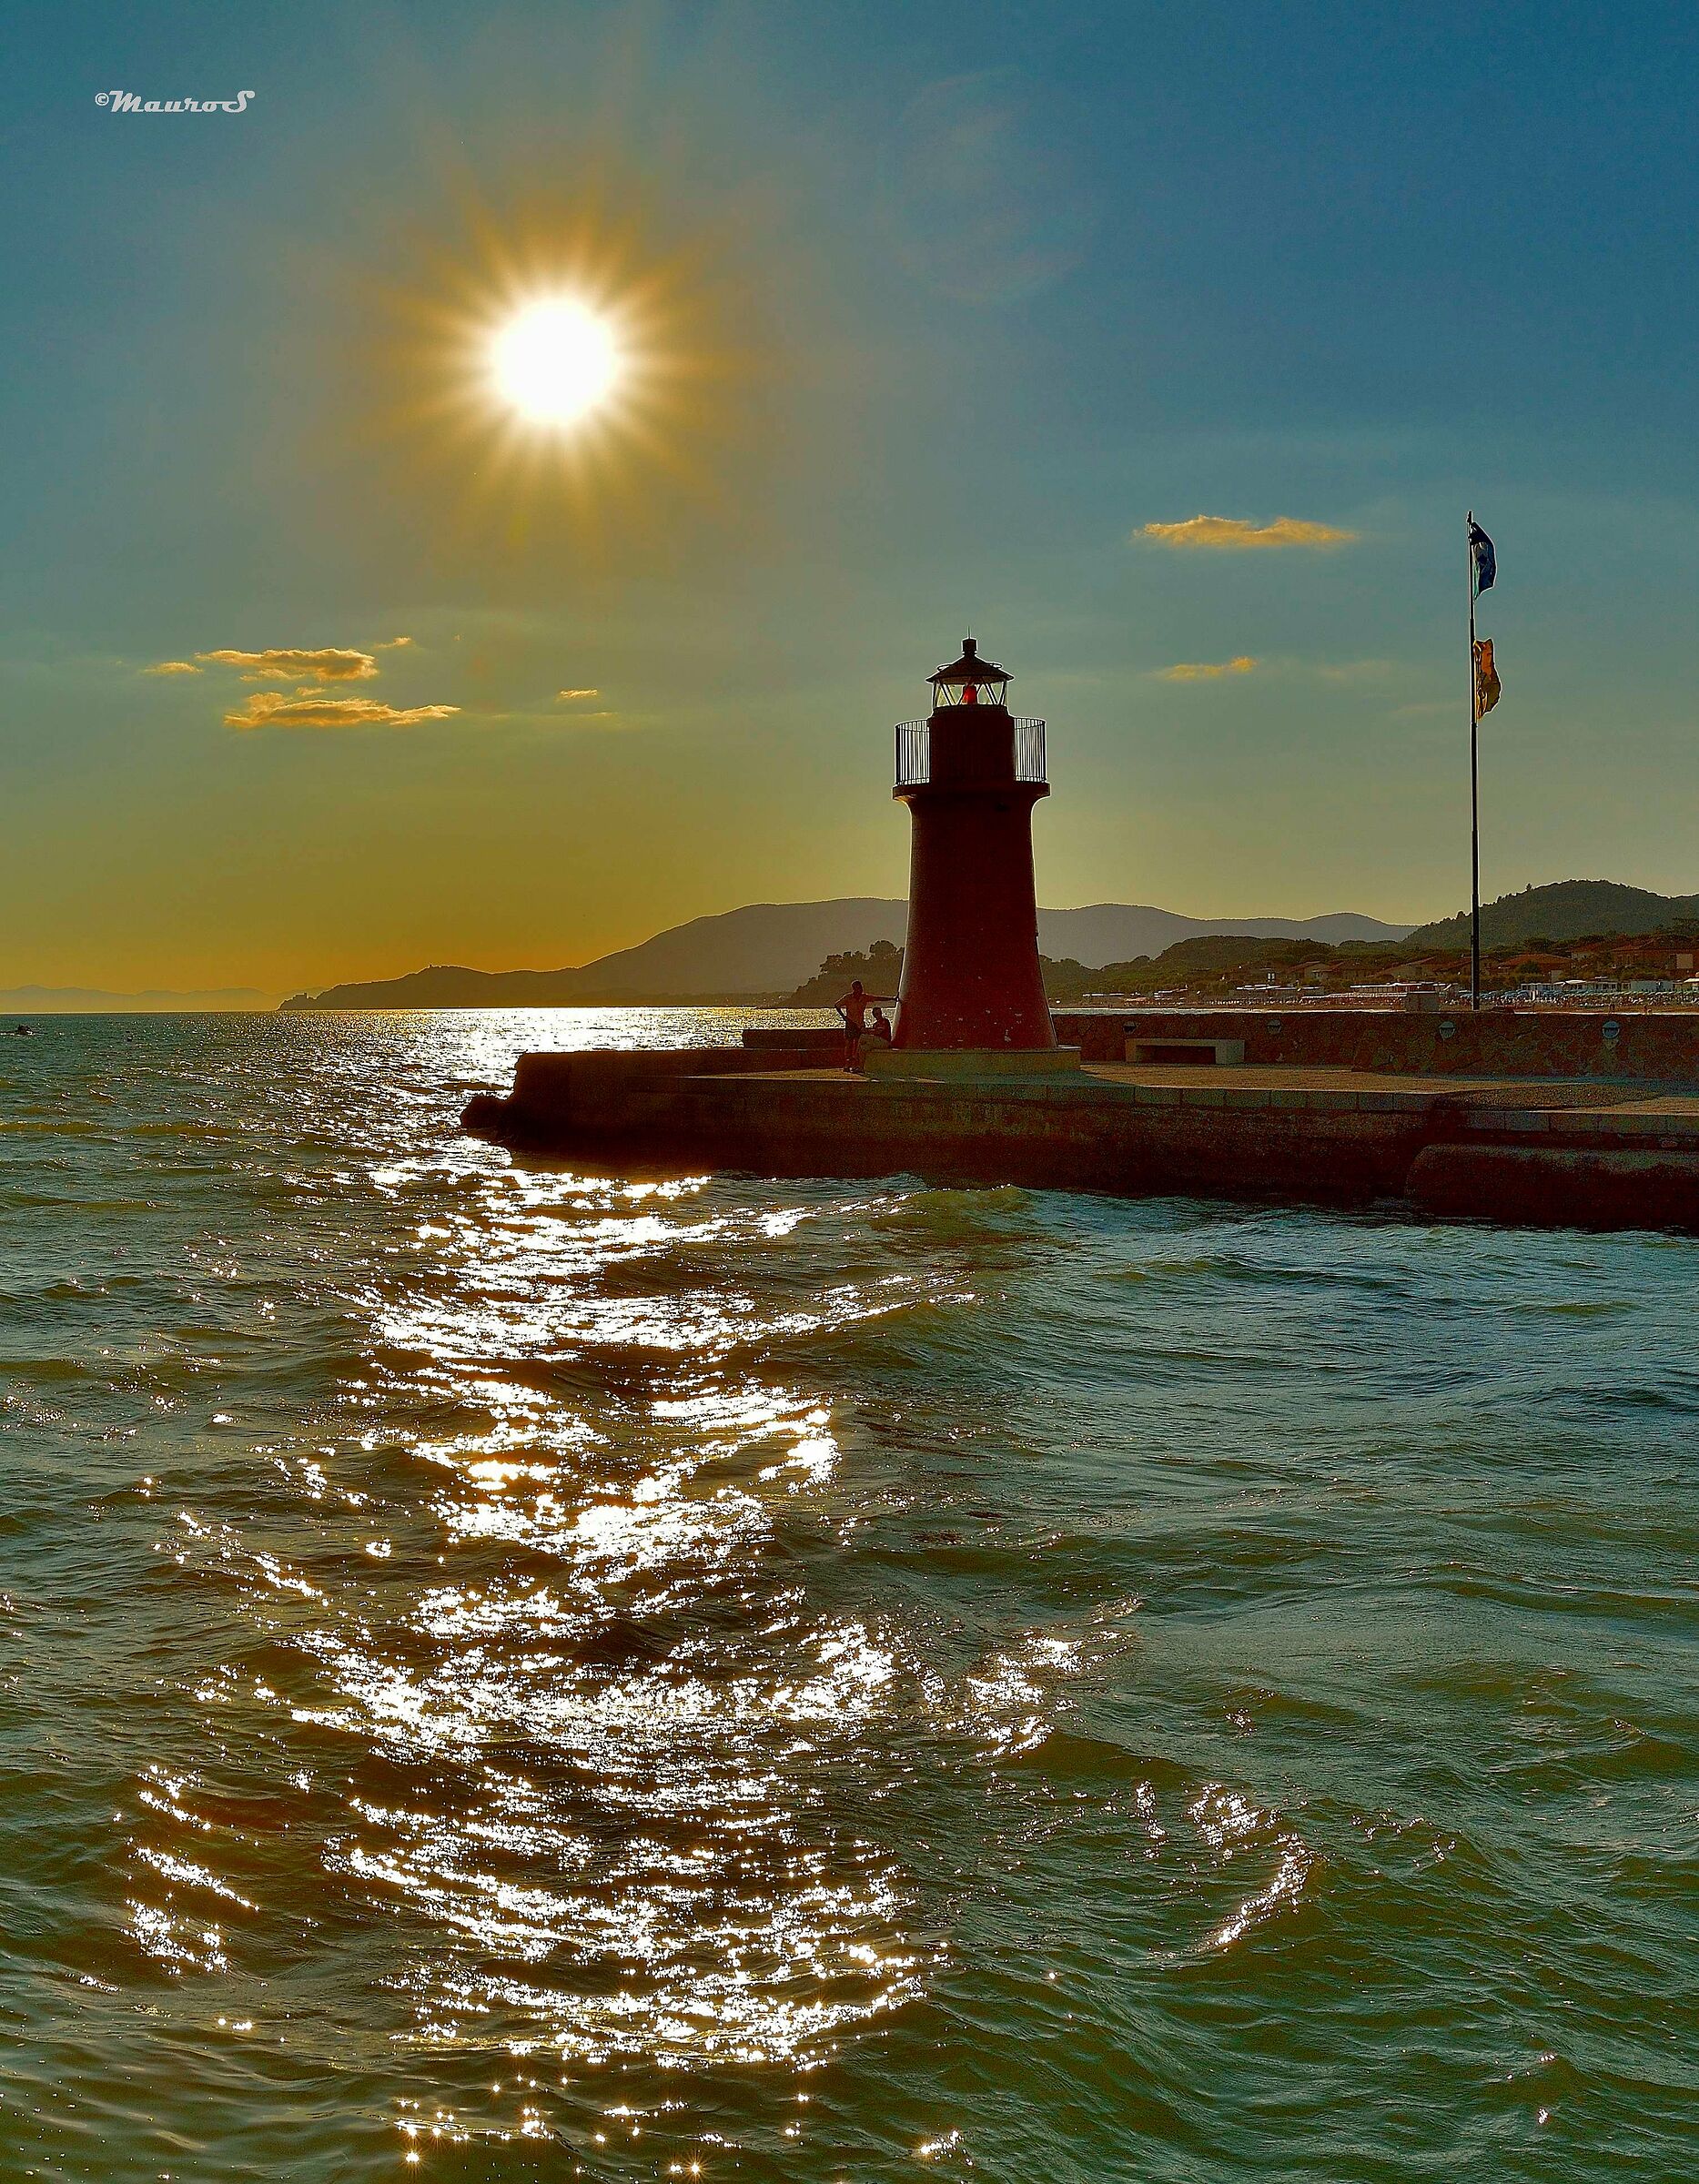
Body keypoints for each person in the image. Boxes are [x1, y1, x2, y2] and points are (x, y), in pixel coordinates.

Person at [835, 979, 869, 1072]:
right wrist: (844, 1017)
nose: (861, 990)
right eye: (859, 988)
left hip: (860, 1024)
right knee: (849, 1044)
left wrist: (892, 999)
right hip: (850, 1023)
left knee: (857, 1045)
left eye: (861, 987)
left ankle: (855, 1065)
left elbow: (877, 998)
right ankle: (847, 1064)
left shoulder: (864, 997)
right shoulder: (848, 998)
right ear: (854, 989)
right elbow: (837, 1005)